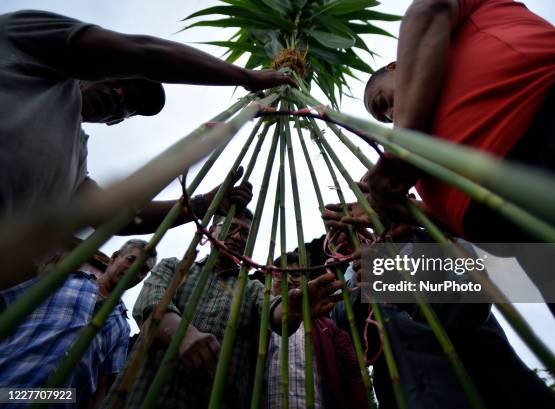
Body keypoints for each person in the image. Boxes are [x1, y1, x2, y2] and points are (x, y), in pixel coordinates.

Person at [332, 0, 555, 392]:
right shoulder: (418, 159)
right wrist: (411, 212)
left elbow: (428, 9)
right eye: (384, 117)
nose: (391, 114)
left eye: (384, 101)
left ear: (397, 66)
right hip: (528, 241)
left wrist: (401, 147)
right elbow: (485, 254)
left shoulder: (419, 115)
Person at [0, 9, 294, 287]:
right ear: (97, 68)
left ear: (114, 121)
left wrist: (206, 203)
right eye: (120, 79)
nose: (118, 94)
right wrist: (244, 77)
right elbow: (139, 53)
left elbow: (114, 216)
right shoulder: (29, 46)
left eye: (128, 106)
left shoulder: (74, 155)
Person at [105, 210, 342, 409]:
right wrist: (184, 336)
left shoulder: (252, 288)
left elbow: (274, 310)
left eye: (246, 234)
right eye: (231, 228)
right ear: (212, 231)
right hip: (142, 394)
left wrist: (290, 306)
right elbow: (150, 304)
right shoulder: (175, 268)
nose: (238, 237)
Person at [331, 226, 555, 409]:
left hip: (489, 391)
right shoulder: (356, 269)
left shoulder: (435, 238)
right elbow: (346, 335)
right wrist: (351, 267)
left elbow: (471, 302)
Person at [0, 239, 157, 408]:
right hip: (8, 381)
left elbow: (101, 386)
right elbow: (6, 304)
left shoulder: (121, 327)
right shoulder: (63, 280)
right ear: (114, 257)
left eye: (143, 271)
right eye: (131, 260)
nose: (135, 271)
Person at [264, 252, 368, 409]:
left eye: (297, 274)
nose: (290, 279)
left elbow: (352, 377)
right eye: (282, 275)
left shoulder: (329, 327)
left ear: (307, 280)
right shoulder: (258, 321)